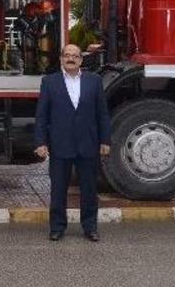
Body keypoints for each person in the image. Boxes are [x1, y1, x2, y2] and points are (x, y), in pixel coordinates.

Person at [34, 43, 111, 242]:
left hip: (88, 145)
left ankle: (90, 227)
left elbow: (102, 114)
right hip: (60, 145)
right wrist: (41, 142)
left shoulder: (94, 81)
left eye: (75, 56)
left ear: (81, 60)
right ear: (61, 59)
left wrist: (105, 140)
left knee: (89, 190)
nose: (71, 58)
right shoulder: (49, 82)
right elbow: (42, 116)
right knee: (58, 190)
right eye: (67, 55)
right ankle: (57, 227)